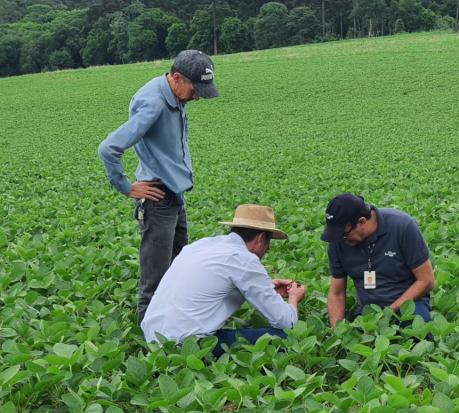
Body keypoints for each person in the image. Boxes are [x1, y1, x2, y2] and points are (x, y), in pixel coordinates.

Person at [98, 50, 219, 321]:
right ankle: (150, 333)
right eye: (195, 90)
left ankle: (176, 325)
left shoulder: (174, 94)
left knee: (179, 267)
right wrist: (127, 187)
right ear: (176, 78)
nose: (197, 97)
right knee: (156, 278)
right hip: (158, 199)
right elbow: (108, 148)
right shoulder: (153, 103)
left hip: (174, 194)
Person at [141, 204, 306, 355]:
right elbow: (287, 323)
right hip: (186, 347)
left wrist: (267, 288)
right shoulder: (244, 259)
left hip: (153, 341)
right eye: (268, 244)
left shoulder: (200, 245)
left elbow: (214, 285)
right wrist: (293, 298)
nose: (266, 250)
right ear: (260, 238)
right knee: (284, 337)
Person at [321, 193, 435, 327]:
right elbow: (337, 292)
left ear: (362, 221)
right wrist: (337, 332)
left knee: (416, 329)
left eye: (344, 234)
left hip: (409, 303)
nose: (340, 239)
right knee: (358, 338)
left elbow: (426, 280)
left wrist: (389, 312)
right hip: (369, 310)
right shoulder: (338, 240)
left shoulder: (402, 226)